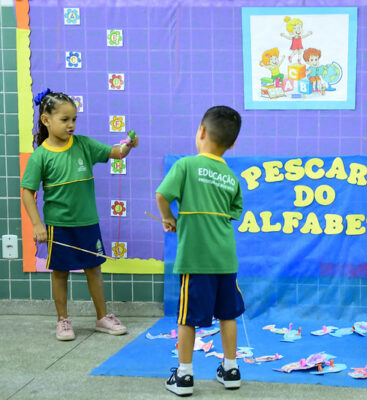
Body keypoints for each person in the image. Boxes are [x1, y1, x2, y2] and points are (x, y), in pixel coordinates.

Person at [21, 89, 139, 341]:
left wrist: (128, 146)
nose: (71, 125)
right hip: (58, 226)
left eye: (74, 119)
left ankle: (102, 317)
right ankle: (62, 320)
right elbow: (26, 192)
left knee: (94, 269)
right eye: (65, 120)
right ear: (46, 120)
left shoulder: (84, 145)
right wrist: (37, 225)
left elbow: (115, 153)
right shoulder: (41, 156)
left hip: (87, 224)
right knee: (60, 272)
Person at [156, 106, 244, 396]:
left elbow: (162, 195)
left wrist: (169, 218)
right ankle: (231, 370)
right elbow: (233, 214)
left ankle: (184, 377)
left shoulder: (185, 165)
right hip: (226, 259)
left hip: (195, 260)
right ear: (231, 144)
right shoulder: (231, 177)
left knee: (187, 318)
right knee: (227, 316)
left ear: (201, 132)